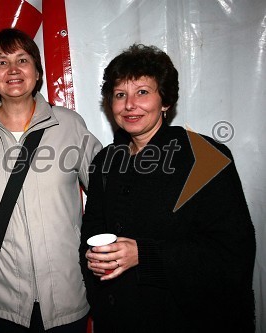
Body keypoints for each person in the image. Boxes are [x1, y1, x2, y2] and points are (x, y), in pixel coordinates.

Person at [80, 44, 256, 332]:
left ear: (165, 101)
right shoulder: (106, 160)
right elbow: (91, 230)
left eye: (143, 92)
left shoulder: (204, 156)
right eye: (120, 95)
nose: (129, 105)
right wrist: (93, 262)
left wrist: (145, 255)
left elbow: (232, 254)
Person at [0, 28, 102, 332]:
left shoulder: (69, 125)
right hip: (4, 297)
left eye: (22, 60)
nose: (13, 70)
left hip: (66, 292)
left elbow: (107, 191)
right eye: (1, 62)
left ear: (37, 72)